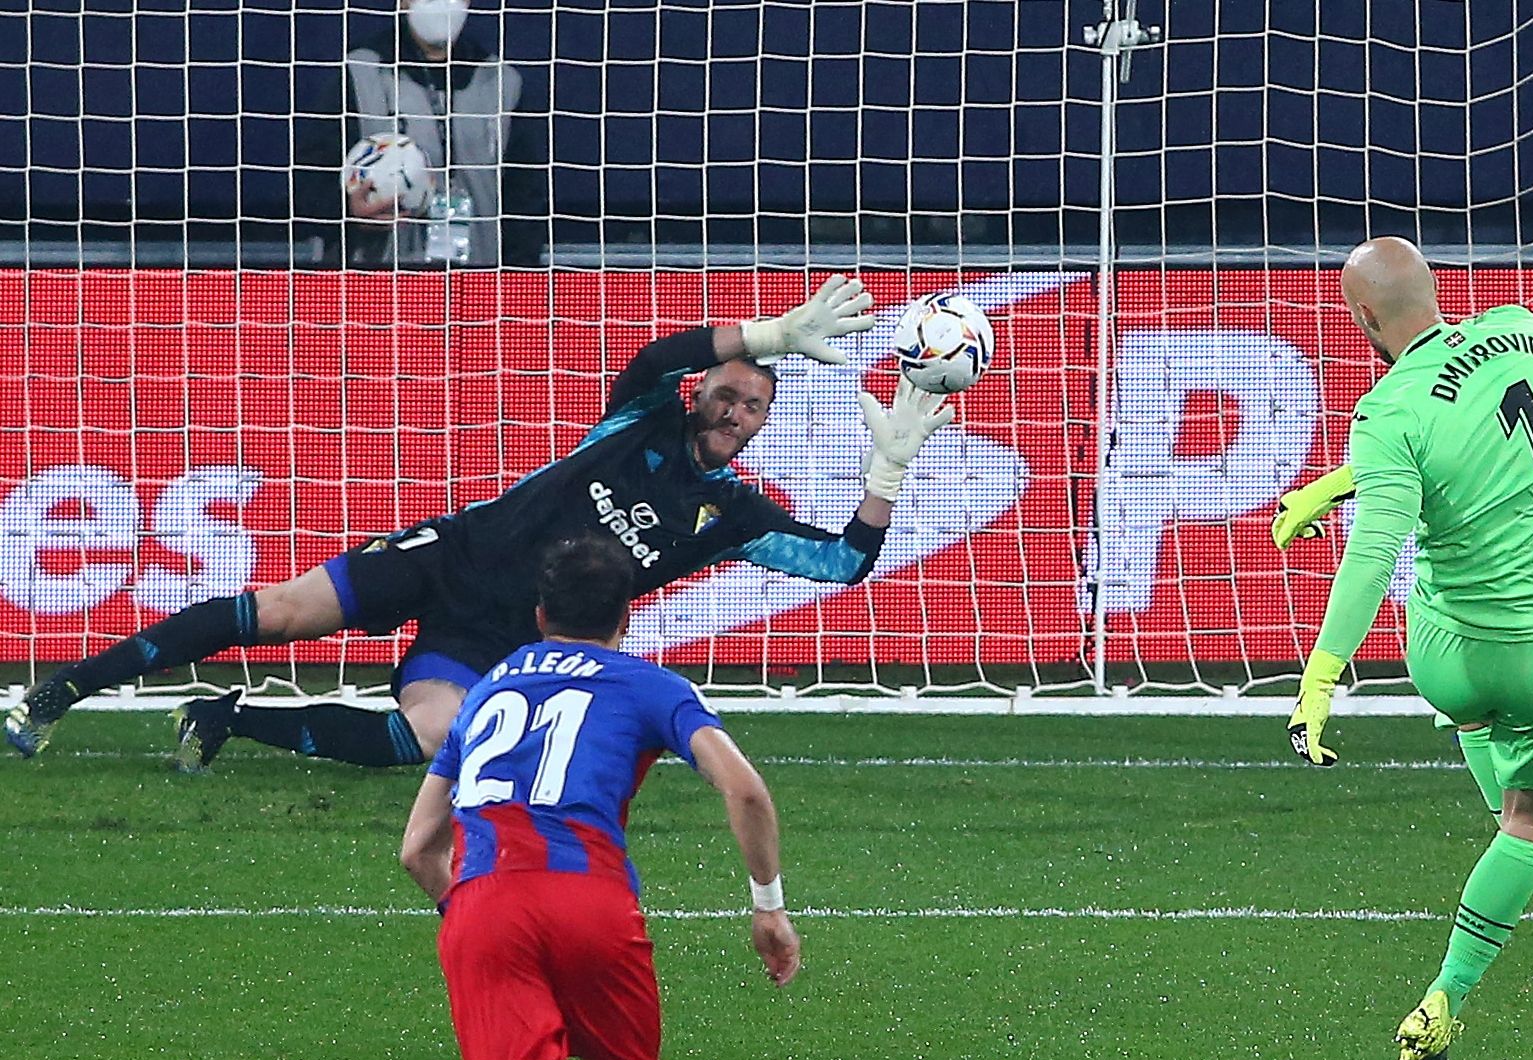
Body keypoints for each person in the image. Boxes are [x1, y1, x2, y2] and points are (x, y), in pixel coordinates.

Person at [7, 275, 952, 771]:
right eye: (729, 392)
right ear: (701, 394)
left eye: (755, 406)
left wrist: (890, 471)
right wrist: (772, 334)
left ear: (760, 429)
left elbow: (840, 565)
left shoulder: (735, 515)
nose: (737, 408)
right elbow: (659, 351)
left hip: (495, 639)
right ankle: (59, 694)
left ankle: (232, 718)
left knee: (430, 744)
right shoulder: (643, 415)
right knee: (276, 612)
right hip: (446, 557)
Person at [1273, 237, 1533, 1060]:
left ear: (1363, 321)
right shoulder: (1525, 331)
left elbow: (1374, 549)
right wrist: (1338, 482)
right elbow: (1466, 426)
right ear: (1435, 289)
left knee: (1439, 586)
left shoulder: (1388, 411)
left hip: (1451, 658)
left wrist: (1319, 679)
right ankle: (1447, 996)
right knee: (1530, 818)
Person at [400, 532, 798, 1060]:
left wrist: (483, 929)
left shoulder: (485, 692)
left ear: (540, 616)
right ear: (626, 618)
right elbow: (746, 789)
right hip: (591, 903)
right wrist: (768, 906)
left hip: (486, 905)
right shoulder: (651, 686)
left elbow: (418, 850)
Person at [292, 0, 549, 268]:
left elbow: (526, 198)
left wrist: (516, 280)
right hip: (377, 282)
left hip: (477, 282)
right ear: (403, 2)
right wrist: (346, 209)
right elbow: (309, 184)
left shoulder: (501, 82)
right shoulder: (360, 73)